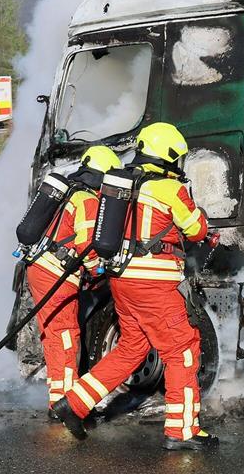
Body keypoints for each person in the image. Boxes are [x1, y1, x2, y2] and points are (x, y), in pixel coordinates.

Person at [54, 122, 218, 451]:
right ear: (170, 156)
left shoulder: (118, 183)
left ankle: (73, 404)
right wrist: (195, 210)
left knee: (132, 349)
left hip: (122, 281)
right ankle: (182, 430)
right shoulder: (169, 189)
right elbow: (197, 230)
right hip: (155, 284)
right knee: (183, 350)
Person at [27, 145, 122, 419]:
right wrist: (99, 272)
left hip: (40, 268)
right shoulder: (88, 200)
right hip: (57, 274)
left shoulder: (68, 191)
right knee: (66, 337)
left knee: (54, 335)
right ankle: (64, 406)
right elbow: (87, 248)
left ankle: (59, 398)